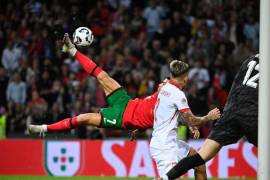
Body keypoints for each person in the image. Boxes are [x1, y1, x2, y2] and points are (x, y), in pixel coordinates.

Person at [158, 54, 259, 180]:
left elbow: (236, 84)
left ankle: (164, 179)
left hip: (230, 113)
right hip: (252, 115)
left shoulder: (249, 60)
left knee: (199, 158)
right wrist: (207, 117)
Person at [149, 60, 220, 180]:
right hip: (165, 148)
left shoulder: (163, 87)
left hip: (168, 142)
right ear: (186, 78)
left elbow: (175, 113)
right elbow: (192, 120)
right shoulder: (178, 94)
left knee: (198, 162)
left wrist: (189, 125)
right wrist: (208, 117)